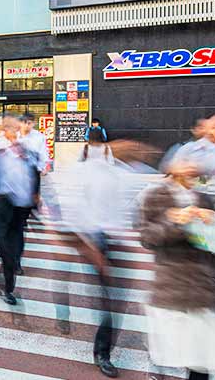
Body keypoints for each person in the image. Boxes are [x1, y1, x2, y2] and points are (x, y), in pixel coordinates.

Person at [138, 156, 215, 380]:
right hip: (171, 284)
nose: (192, 169)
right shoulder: (156, 196)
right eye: (185, 164)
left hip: (201, 286)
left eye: (195, 168)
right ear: (172, 168)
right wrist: (176, 221)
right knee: (168, 348)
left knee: (201, 360)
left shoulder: (204, 198)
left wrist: (213, 223)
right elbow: (147, 237)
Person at [63, 130, 129, 378]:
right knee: (107, 300)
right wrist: (92, 249)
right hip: (94, 241)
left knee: (115, 299)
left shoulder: (116, 173)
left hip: (115, 241)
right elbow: (75, 212)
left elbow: (123, 208)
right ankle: (102, 353)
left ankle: (103, 348)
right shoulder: (81, 173)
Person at [0, 113, 41, 305]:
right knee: (6, 250)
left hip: (20, 209)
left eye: (16, 127)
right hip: (2, 208)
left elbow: (35, 175)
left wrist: (36, 199)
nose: (15, 131)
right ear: (4, 130)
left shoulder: (28, 152)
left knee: (17, 249)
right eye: (11, 128)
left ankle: (10, 269)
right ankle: (7, 289)